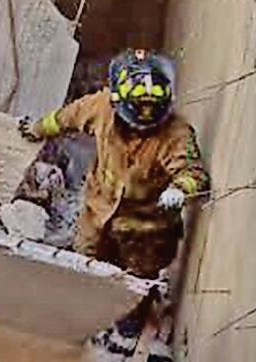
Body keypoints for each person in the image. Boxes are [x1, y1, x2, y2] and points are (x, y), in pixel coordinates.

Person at [21, 49, 210, 278]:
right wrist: (37, 129)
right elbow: (66, 118)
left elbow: (193, 172)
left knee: (134, 286)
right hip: (96, 216)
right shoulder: (101, 108)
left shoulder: (176, 133)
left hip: (145, 234)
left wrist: (180, 189)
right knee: (82, 271)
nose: (141, 130)